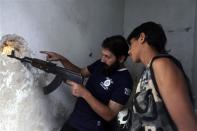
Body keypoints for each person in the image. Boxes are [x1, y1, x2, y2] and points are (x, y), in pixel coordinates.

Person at [41, 35, 133, 131]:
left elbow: (109, 115)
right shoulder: (101, 64)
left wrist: (84, 93)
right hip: (74, 121)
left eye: (107, 56)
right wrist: (62, 59)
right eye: (102, 55)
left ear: (121, 58)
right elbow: (80, 73)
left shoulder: (125, 81)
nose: (102, 59)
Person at [127, 21, 197, 131]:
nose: (129, 51)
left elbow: (187, 124)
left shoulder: (162, 64)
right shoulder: (149, 69)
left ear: (141, 37)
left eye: (131, 44)